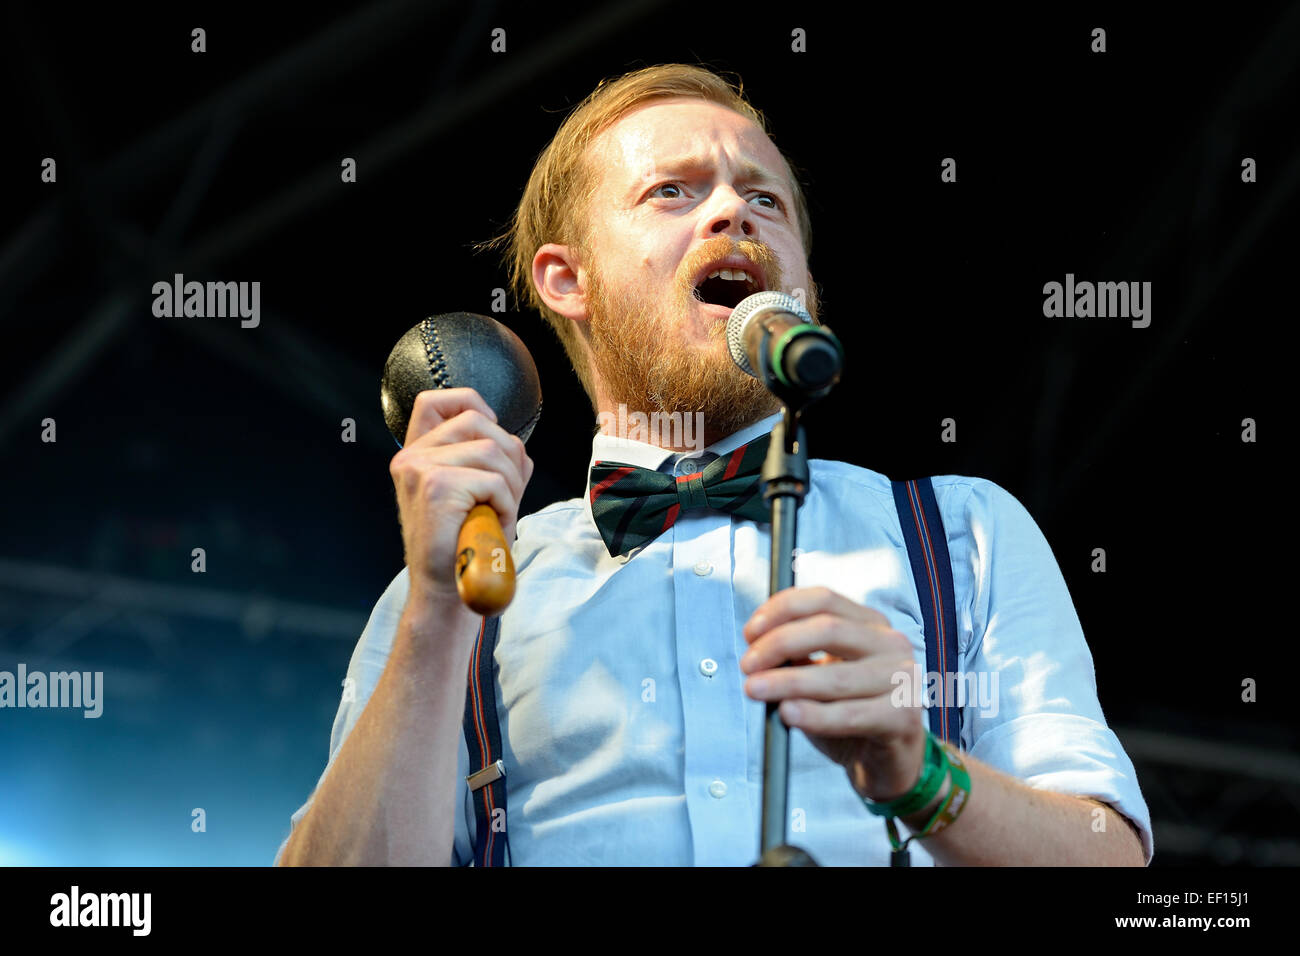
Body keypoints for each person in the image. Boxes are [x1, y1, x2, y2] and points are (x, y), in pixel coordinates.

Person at [275, 64, 1152, 866]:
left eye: (765, 200)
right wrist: (437, 617)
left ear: (804, 289)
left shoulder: (963, 534)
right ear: (564, 280)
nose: (733, 212)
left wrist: (923, 776)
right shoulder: (459, 592)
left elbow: (1110, 863)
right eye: (672, 192)